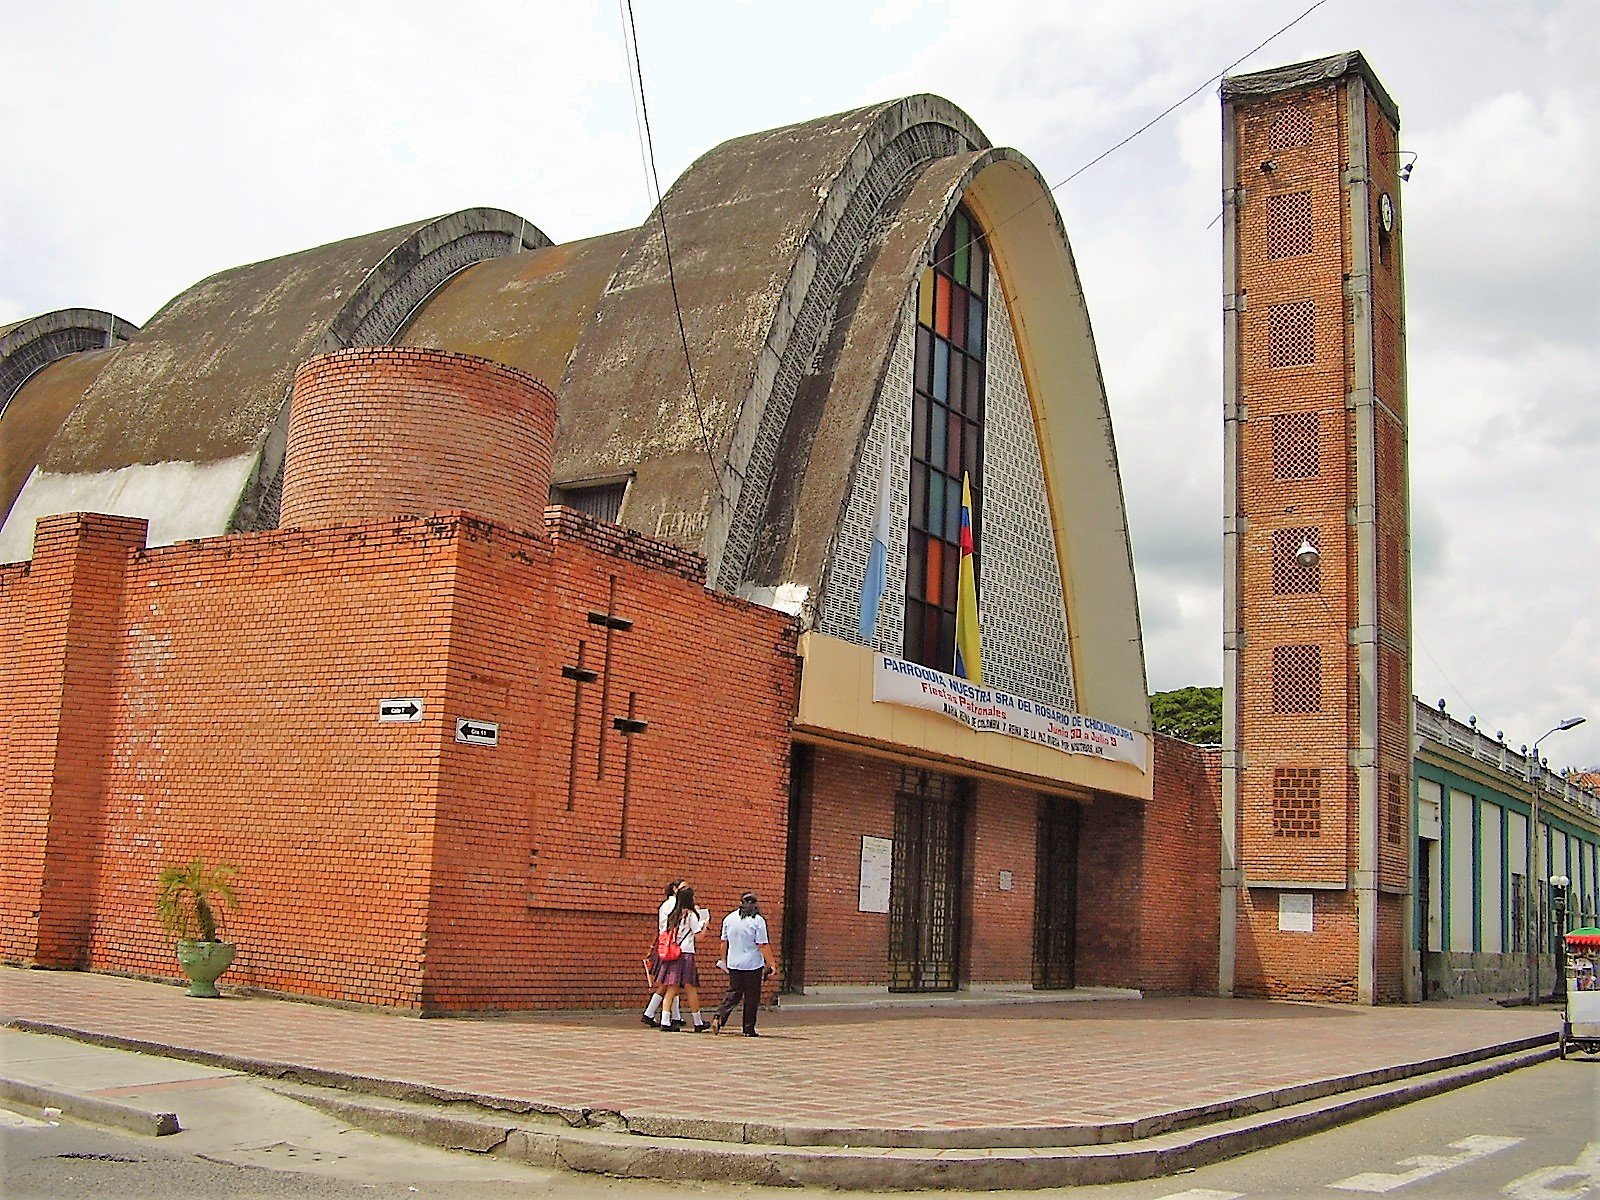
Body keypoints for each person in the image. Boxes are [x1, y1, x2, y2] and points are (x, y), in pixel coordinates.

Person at [709, 891, 777, 1037]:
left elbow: (723, 942)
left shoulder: (729, 919)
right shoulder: (758, 921)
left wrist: (724, 960)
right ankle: (748, 1028)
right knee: (752, 997)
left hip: (734, 963)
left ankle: (719, 1017)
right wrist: (771, 963)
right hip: (752, 965)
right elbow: (762, 945)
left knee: (733, 993)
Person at [655, 886, 711, 1031]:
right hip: (686, 954)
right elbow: (699, 936)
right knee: (690, 988)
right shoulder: (690, 915)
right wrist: (705, 925)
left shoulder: (673, 915)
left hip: (673, 954)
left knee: (671, 988)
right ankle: (697, 1022)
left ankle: (665, 1021)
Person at [641, 880, 686, 1028]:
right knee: (670, 982)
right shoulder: (675, 904)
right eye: (683, 887)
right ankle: (655, 1014)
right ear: (675, 889)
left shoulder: (665, 904)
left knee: (670, 982)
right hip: (671, 947)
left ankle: (672, 1015)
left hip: (664, 945)